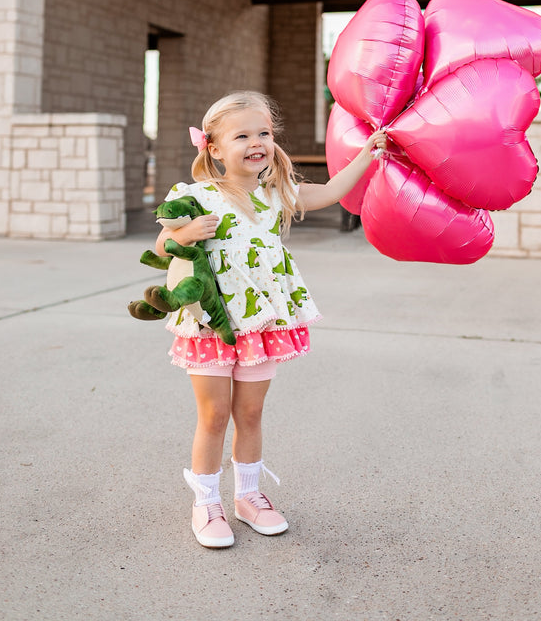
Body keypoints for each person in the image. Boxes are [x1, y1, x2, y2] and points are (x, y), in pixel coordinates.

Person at [154, 90, 386, 549]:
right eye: (242, 135)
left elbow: (333, 191)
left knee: (251, 412)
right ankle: (206, 502)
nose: (257, 141)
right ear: (214, 148)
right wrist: (184, 231)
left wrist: (367, 154)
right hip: (211, 324)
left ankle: (247, 496)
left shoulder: (274, 193)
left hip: (259, 323)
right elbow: (162, 247)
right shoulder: (196, 195)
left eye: (264, 133)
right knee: (215, 413)